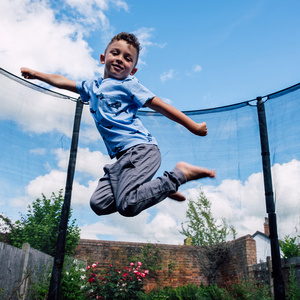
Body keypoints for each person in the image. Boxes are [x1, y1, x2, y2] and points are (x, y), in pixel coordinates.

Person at [21, 32, 215, 217]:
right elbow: (63, 81)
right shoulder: (92, 86)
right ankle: (155, 187)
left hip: (140, 151)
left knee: (128, 205)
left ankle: (180, 174)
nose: (121, 59)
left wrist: (193, 126)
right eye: (115, 53)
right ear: (103, 58)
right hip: (123, 159)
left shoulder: (129, 85)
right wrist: (37, 74)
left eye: (128, 58)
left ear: (133, 70)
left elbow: (161, 106)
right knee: (99, 203)